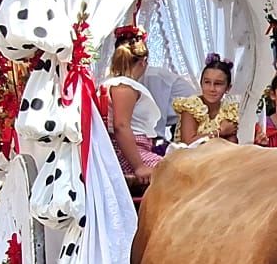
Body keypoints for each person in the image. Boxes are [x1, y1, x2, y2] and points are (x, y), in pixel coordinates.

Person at [102, 24, 165, 185]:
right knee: (174, 172)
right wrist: (139, 166)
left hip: (135, 149)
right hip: (128, 153)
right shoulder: (124, 87)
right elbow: (121, 125)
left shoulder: (117, 85)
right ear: (143, 62)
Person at [172, 55, 242, 146]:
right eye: (207, 82)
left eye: (218, 84)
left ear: (228, 88)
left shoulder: (228, 111)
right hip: (190, 157)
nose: (212, 88)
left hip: (218, 156)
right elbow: (188, 143)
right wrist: (219, 132)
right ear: (201, 83)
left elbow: (232, 143)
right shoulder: (192, 106)